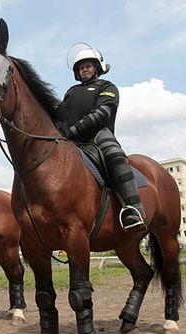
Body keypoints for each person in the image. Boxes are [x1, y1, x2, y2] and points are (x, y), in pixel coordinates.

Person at [57, 45, 146, 232]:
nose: (84, 70)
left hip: (99, 134)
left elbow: (102, 113)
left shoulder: (107, 87)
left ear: (97, 68)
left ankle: (133, 210)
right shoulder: (71, 92)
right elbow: (59, 115)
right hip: (73, 140)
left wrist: (73, 130)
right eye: (81, 68)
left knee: (115, 154)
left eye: (88, 66)